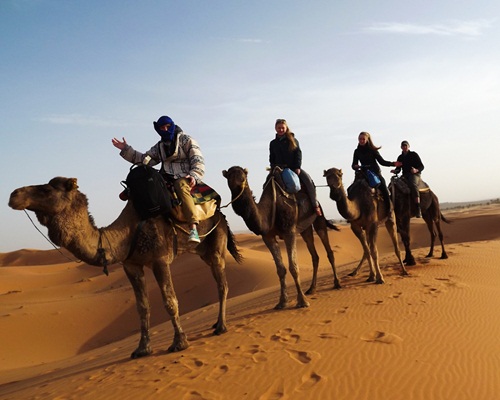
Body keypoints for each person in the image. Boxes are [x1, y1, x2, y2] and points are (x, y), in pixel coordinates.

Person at [112, 115, 204, 243]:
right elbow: (145, 160)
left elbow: (197, 159)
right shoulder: (159, 146)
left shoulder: (186, 140)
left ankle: (193, 228)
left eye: (168, 127)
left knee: (181, 186)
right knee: (147, 183)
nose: (165, 130)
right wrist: (126, 149)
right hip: (165, 175)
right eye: (162, 128)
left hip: (184, 175)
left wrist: (194, 174)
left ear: (172, 126)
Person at [269, 118, 321, 216]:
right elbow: (272, 157)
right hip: (278, 169)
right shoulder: (273, 143)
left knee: (309, 182)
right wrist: (272, 167)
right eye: (279, 128)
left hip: (293, 168)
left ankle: (315, 206)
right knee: (267, 186)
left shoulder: (292, 140)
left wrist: (297, 167)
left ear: (286, 128)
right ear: (275, 128)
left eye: (282, 128)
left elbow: (298, 154)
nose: (281, 130)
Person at [351, 131, 398, 216]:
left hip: (374, 173)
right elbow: (353, 164)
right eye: (360, 139)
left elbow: (382, 162)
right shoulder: (357, 151)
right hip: (363, 173)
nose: (361, 141)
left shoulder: (372, 150)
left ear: (367, 139)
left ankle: (389, 210)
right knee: (351, 189)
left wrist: (393, 163)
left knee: (384, 188)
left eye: (363, 139)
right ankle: (353, 214)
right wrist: (355, 166)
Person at [391, 140, 424, 218]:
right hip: (405, 175)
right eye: (403, 146)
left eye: (406, 145)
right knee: (393, 185)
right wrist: (395, 171)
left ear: (408, 146)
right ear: (401, 147)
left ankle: (418, 207)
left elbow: (422, 166)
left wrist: (416, 170)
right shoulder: (400, 157)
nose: (404, 147)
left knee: (412, 184)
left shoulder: (414, 155)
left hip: (414, 174)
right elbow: (398, 169)